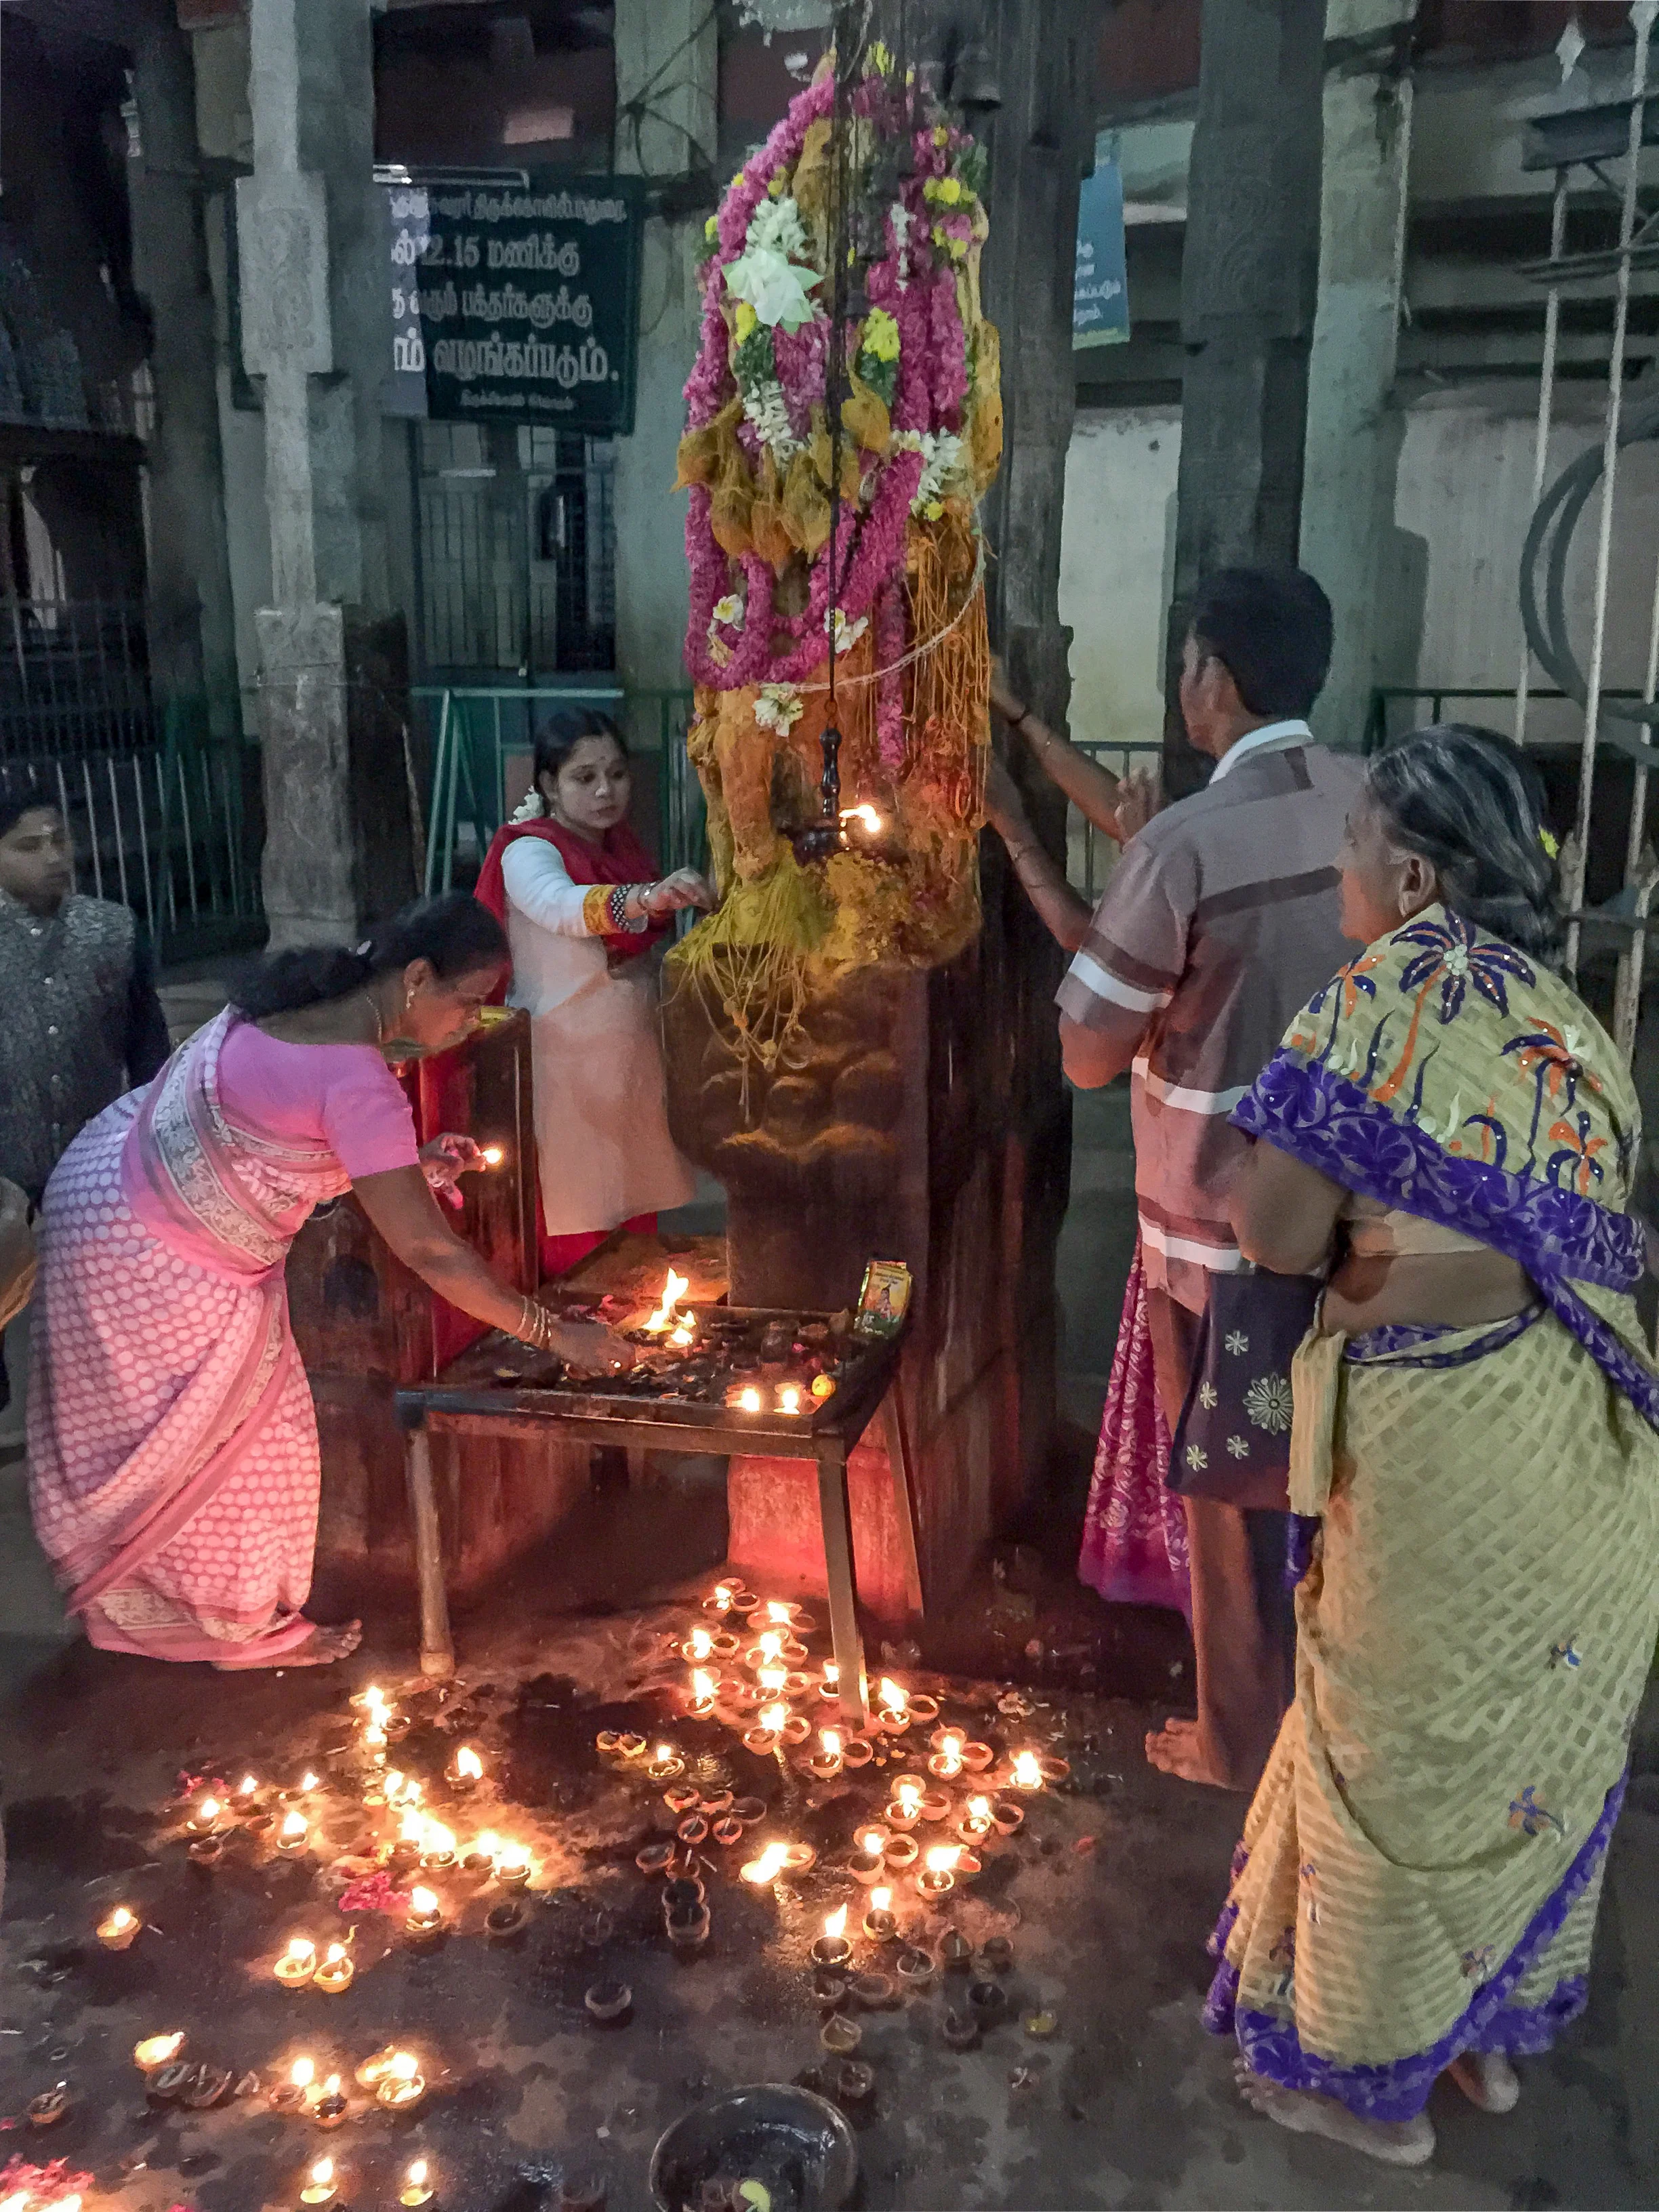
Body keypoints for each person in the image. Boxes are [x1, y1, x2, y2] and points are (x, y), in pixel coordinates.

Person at [1208, 724, 1659, 2165]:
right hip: (1578, 1436)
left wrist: (1251, 1184)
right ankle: (1480, 2044)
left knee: (1387, 1751)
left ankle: (1359, 2080)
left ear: (1407, 871)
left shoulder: (1388, 993)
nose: (1340, 866)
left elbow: (1275, 1237)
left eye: (1352, 844)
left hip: (1443, 1437)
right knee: (1509, 1743)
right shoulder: (1567, 1019)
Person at [26, 892, 634, 1670]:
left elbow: (273, 1125)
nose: (473, 1025)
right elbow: (432, 1252)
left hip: (102, 1186)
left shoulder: (288, 995)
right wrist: (556, 1333)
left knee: (147, 1436)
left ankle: (148, 1608)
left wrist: (406, 1167)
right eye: (469, 1003)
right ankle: (237, 1630)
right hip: (157, 1261)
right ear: (416, 977)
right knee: (248, 1442)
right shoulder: (359, 1085)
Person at [1053, 567, 1361, 1790]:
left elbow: (1084, 1049)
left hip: (1223, 1229)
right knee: (1340, 1477)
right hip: (1360, 1211)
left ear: (1210, 683)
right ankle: (1337, 1715)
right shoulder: (1364, 797)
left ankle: (1236, 1738)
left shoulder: (1183, 843)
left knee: (1232, 1492)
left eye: (1186, 665)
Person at [978, 691, 1185, 1616]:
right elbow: (1116, 810)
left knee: (1196, 1409)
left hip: (1198, 1192)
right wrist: (1019, 716)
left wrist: (1013, 821)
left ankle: (1193, 1594)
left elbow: (1083, 940)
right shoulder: (1273, 819)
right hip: (1233, 1186)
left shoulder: (1183, 859)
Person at [474, 710, 714, 1282]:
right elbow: (561, 907)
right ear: (549, 785)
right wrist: (649, 898)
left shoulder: (622, 848)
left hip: (631, 1069)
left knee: (642, 1244)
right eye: (585, 778)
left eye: (617, 773)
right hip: (565, 1075)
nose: (606, 790)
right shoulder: (526, 852)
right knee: (579, 1237)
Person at [0, 792, 172, 1410]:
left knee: (108, 1330)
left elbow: (149, 1051)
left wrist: (152, 1150)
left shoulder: (112, 931)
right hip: (3, 1166)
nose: (53, 857)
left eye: (60, 841)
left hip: (94, 1159)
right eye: (29, 846)